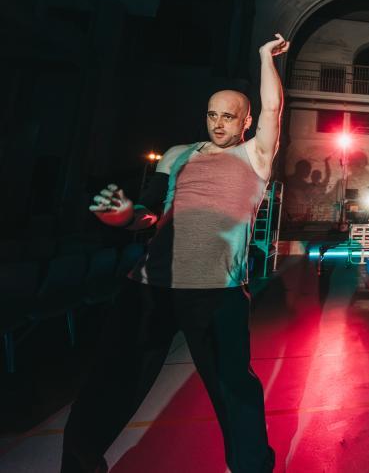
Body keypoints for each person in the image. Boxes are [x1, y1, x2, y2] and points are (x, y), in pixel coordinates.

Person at [61, 34, 289, 473]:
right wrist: (127, 218)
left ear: (246, 122)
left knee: (233, 390)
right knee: (110, 383)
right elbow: (151, 213)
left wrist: (265, 58)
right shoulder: (177, 155)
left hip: (216, 291)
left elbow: (274, 108)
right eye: (212, 115)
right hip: (150, 286)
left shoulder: (255, 156)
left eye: (228, 116)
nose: (218, 124)